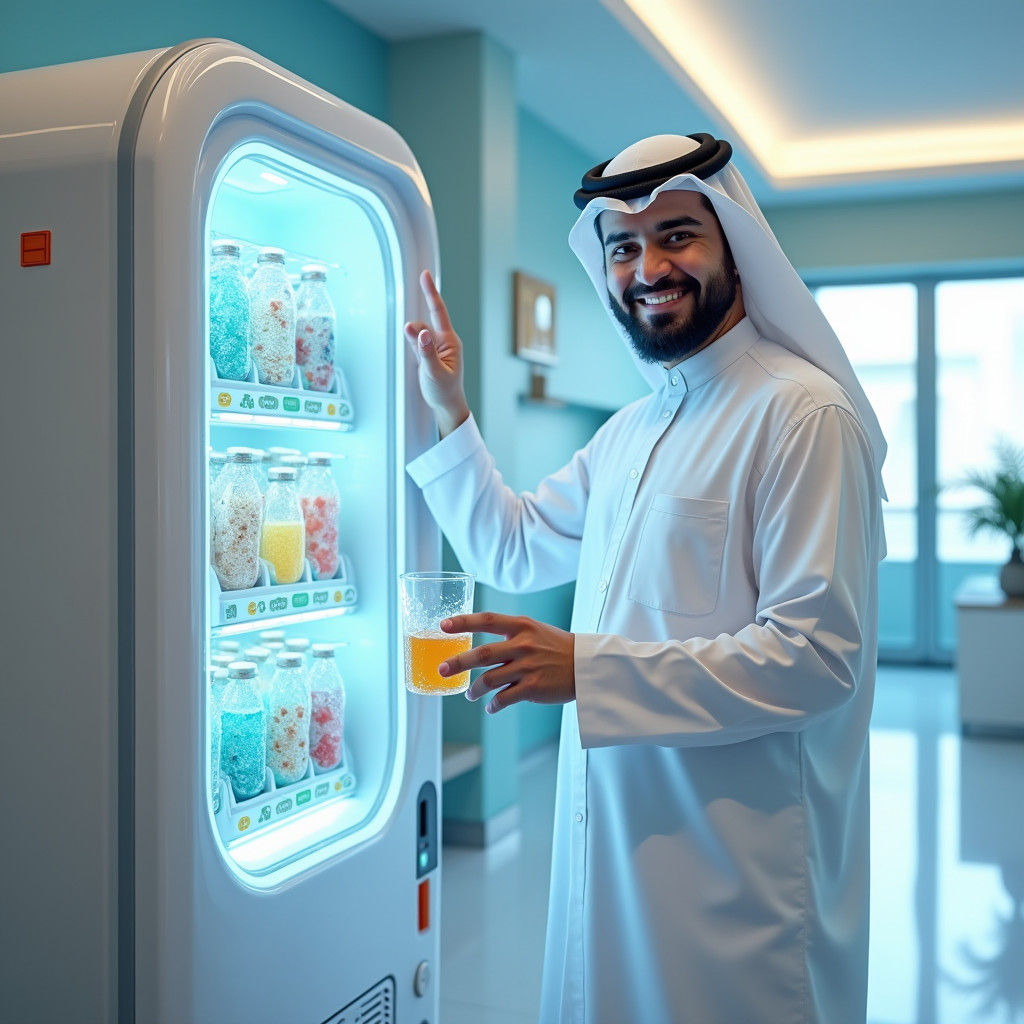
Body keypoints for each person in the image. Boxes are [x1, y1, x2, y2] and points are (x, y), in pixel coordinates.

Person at [403, 133, 886, 1024]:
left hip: (734, 888)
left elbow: (817, 657)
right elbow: (509, 548)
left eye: (677, 236)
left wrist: (591, 670)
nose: (649, 266)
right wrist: (451, 408)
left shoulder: (803, 416)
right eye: (623, 247)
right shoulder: (629, 432)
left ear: (734, 247)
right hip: (610, 858)